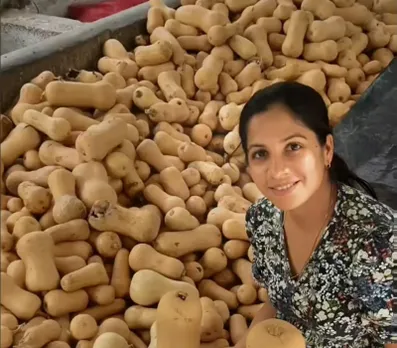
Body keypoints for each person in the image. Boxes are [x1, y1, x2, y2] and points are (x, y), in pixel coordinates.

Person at [235, 81, 396, 348]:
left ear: (327, 150)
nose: (277, 171)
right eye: (261, 153)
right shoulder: (261, 219)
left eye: (293, 147)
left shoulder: (379, 243)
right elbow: (278, 304)